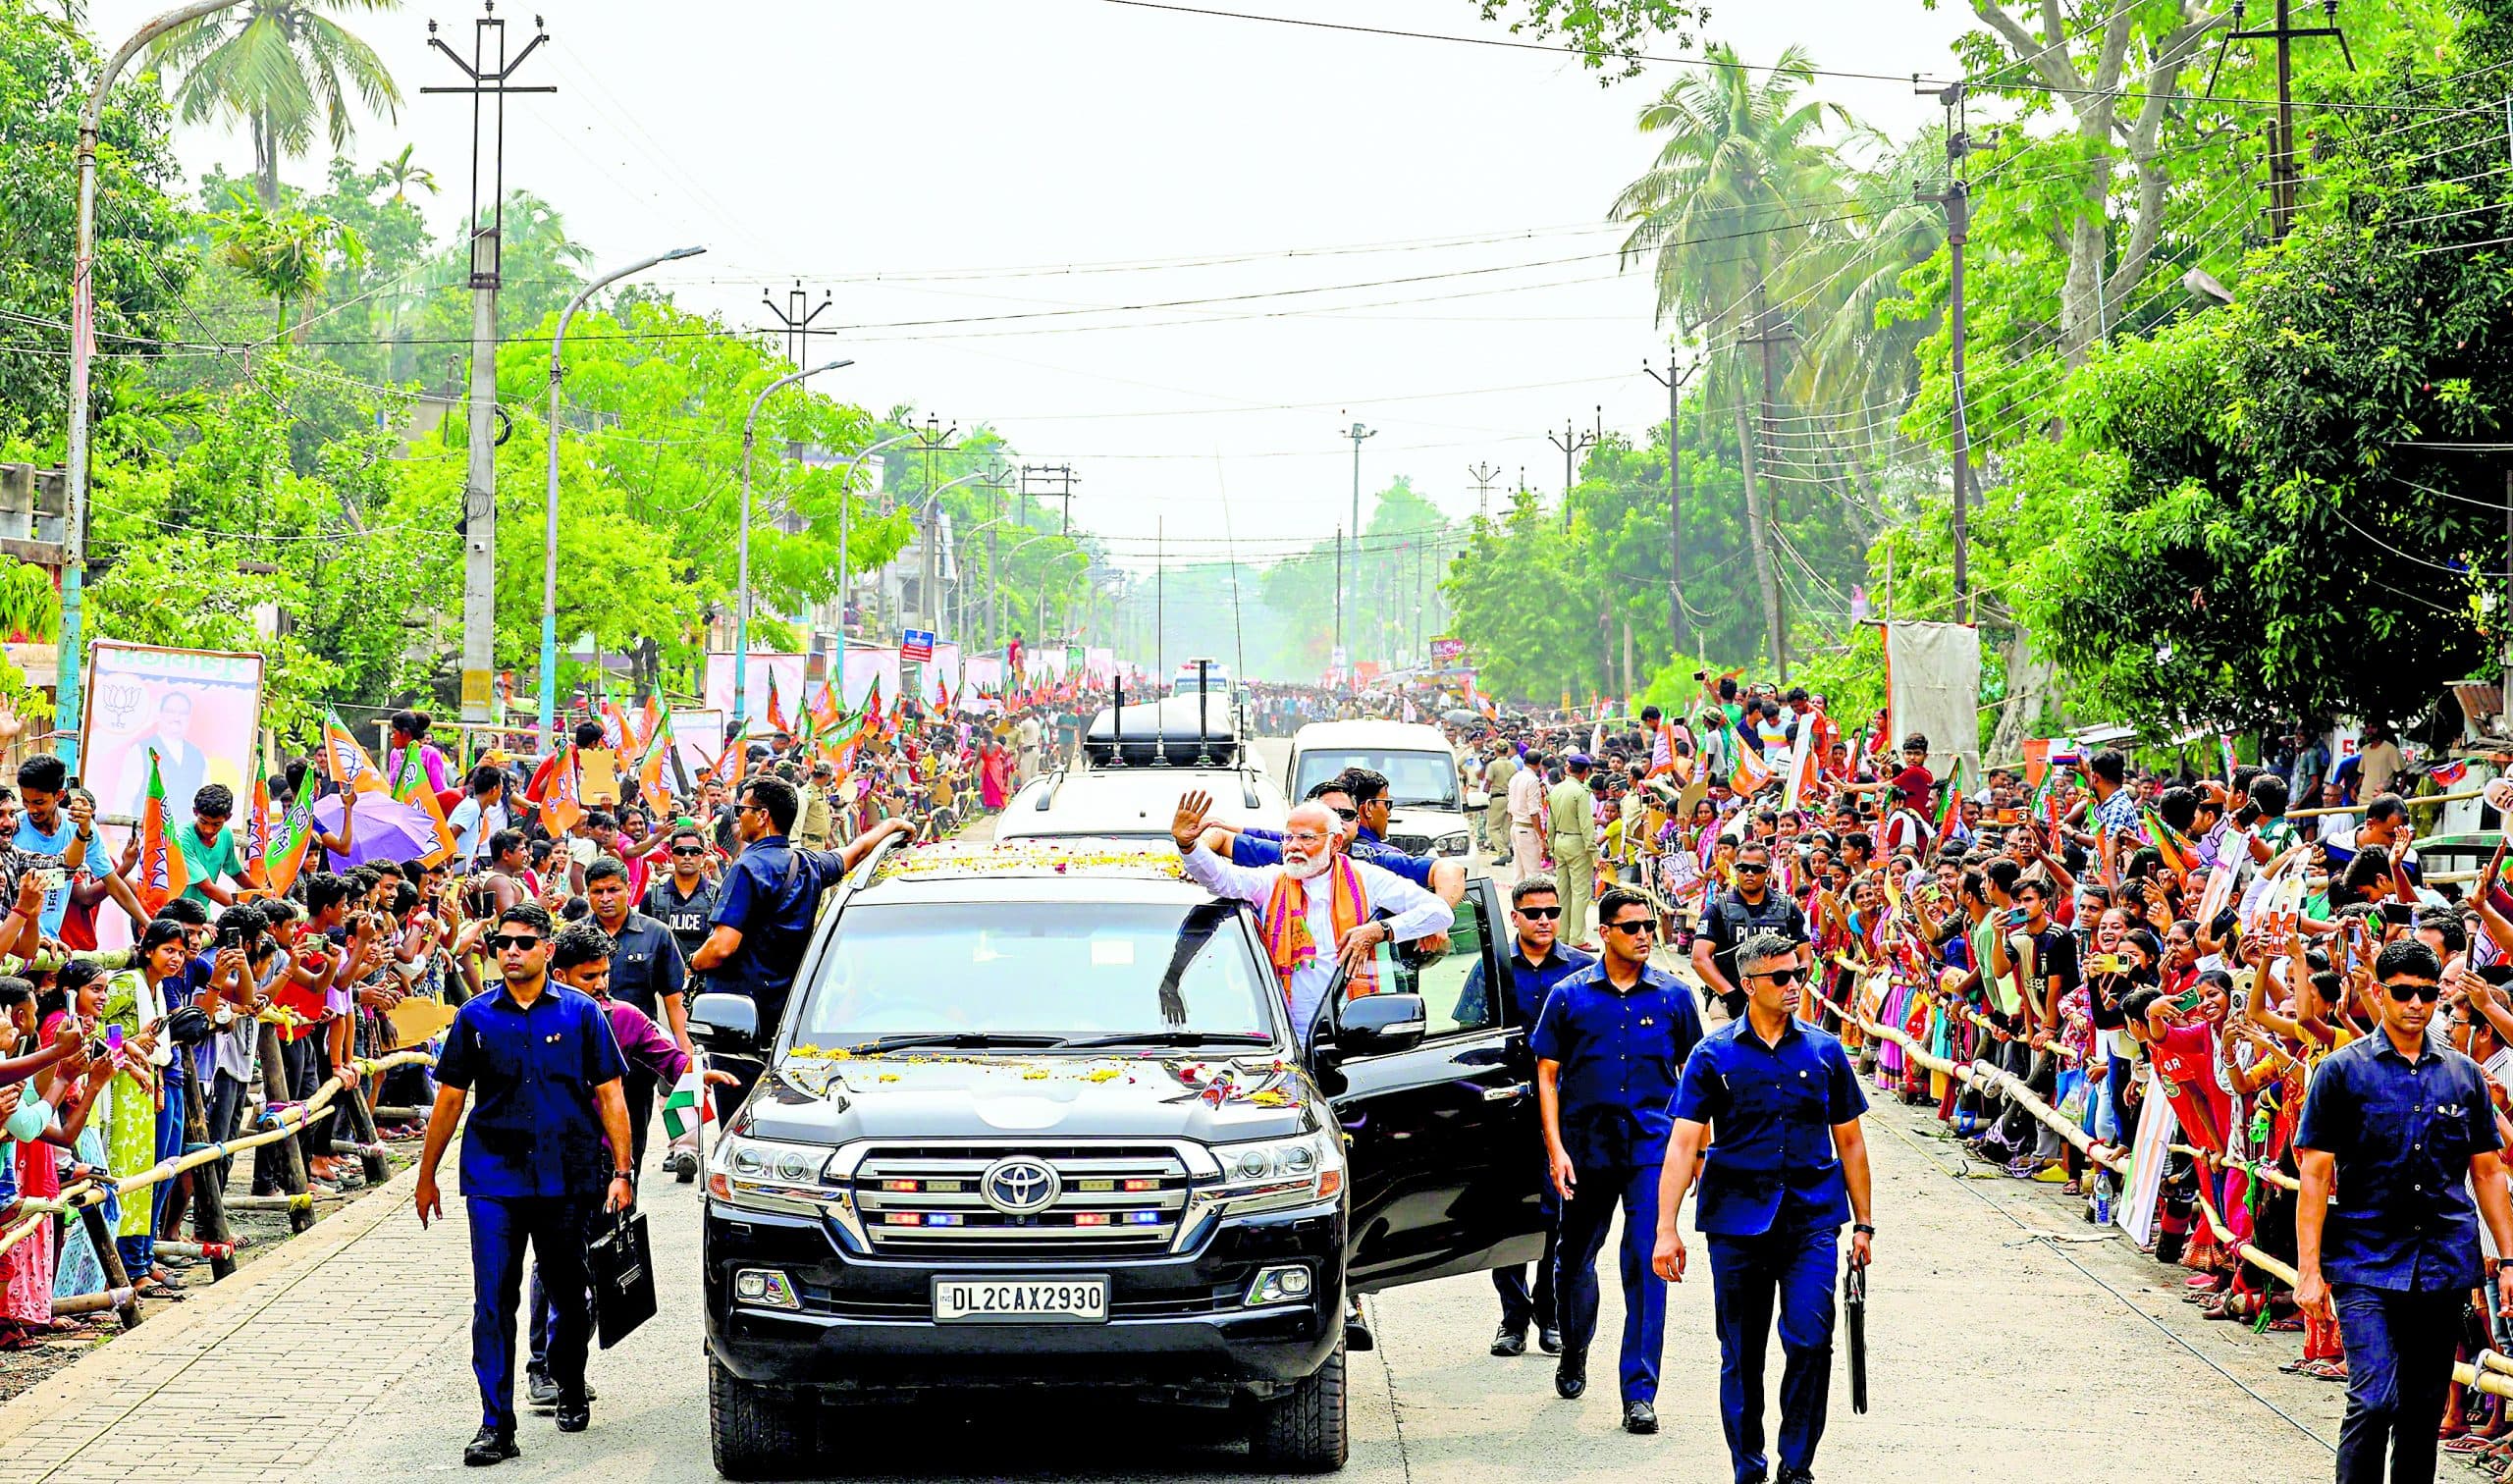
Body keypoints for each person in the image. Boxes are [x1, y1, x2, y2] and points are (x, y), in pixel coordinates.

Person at [413, 903, 636, 1466]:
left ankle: (569, 1380)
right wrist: (426, 1174)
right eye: (503, 943)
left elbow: (610, 1094)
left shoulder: (583, 1014)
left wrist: (622, 1172)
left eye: (524, 942)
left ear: (547, 950)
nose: (511, 951)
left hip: (567, 1176)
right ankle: (496, 1424)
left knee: (568, 1292)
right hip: (493, 1177)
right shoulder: (474, 1017)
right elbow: (450, 1099)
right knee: (493, 1301)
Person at [1655, 929, 1876, 1484]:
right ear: (1749, 985)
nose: (1794, 984)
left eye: (1798, 973)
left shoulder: (1825, 1051)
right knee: (1742, 1352)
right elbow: (1682, 1143)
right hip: (1736, 1223)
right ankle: (1748, 1467)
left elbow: (1850, 1140)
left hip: (1811, 1221)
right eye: (1780, 977)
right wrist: (1665, 1228)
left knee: (1811, 1340)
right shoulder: (1713, 1055)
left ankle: (1796, 1466)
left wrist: (1864, 1225)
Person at [2294, 938, 2513, 1484]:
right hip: (2363, 1259)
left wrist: (2510, 1260)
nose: (2416, 1004)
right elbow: (2315, 1175)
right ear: (2379, 992)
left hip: (2442, 1261)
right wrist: (2308, 1270)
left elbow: (2488, 1172)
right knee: (2374, 1400)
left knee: (2421, 1411)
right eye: (2403, 993)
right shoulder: (2341, 1071)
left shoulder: (2464, 1076)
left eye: (2427, 994)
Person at [1530, 886, 1705, 1435]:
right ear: (1604, 932)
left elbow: (1696, 1080)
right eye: (1632, 927)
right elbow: (1547, 1076)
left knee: (1649, 1262)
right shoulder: (1569, 996)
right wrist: (1556, 1149)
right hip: (1586, 1150)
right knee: (1574, 1258)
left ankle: (1639, 1393)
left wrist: (1700, 1149)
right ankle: (1574, 1347)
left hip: (1653, 1152)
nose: (1644, 935)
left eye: (1648, 925)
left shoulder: (1675, 997)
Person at [687, 779, 916, 1111]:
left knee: (741, 1111)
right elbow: (855, 852)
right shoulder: (808, 864)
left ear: (763, 815)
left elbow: (722, 947)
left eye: (742, 810)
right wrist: (891, 825)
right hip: (791, 1014)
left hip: (740, 1021)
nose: (738, 817)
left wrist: (693, 962)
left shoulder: (747, 868)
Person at [1168, 789, 1453, 1043]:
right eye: (1288, 837)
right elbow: (1222, 879)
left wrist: (1379, 931)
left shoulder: (1367, 879)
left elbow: (1439, 912)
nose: (1293, 846)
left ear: (1335, 842)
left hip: (1353, 1033)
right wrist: (1188, 847)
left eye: (1306, 838)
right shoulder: (1271, 881)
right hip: (1284, 1037)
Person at [1454, 874, 1593, 1359]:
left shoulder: (1582, 971)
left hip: (1568, 1113)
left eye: (1552, 912)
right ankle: (1513, 1318)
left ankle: (1549, 1315)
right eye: (1533, 913)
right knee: (1508, 1214)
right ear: (1514, 917)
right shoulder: (1493, 967)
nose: (1544, 921)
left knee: (1560, 1215)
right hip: (1508, 1111)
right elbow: (1469, 1036)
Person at [582, 858, 690, 1176]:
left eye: (613, 890)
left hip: (637, 1058)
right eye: (597, 891)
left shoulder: (656, 934)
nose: (605, 898)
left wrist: (684, 1050)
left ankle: (628, 1196)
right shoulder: (576, 937)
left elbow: (673, 1000)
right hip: (584, 1059)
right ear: (588, 894)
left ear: (628, 889)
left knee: (632, 1143)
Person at [1693, 841, 1810, 1022]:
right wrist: (1730, 994)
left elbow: (1806, 958)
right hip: (1728, 1004)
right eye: (1743, 868)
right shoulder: (1718, 909)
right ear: (1735, 870)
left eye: (1756, 869)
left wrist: (1790, 988)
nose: (1749, 873)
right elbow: (1699, 958)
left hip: (1777, 1004)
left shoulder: (1787, 909)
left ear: (1768, 872)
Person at [1548, 755, 1601, 950]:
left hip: (1559, 841)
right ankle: (1577, 938)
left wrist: (1551, 846)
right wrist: (1594, 853)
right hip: (1577, 842)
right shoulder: (1581, 792)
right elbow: (1587, 826)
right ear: (1585, 772)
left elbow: (1550, 823)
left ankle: (1562, 935)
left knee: (1563, 891)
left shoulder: (1556, 790)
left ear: (1568, 768)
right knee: (1580, 893)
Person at [176, 783, 248, 907]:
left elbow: (237, 873)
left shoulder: (226, 834)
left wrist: (265, 895)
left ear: (228, 817)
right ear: (195, 812)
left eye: (216, 824)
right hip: (176, 911)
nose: (208, 830)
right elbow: (206, 887)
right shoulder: (182, 838)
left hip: (203, 911)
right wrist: (246, 910)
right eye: (203, 822)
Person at [448, 766, 509, 870]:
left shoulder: (476, 808)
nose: (502, 794)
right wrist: (458, 873)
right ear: (494, 790)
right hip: (454, 871)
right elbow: (450, 838)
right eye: (501, 789)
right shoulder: (472, 808)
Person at [1510, 749, 1548, 879]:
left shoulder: (1515, 777)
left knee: (1519, 872)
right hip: (1527, 828)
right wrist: (1541, 837)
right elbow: (1533, 812)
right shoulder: (1532, 780)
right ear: (1539, 763)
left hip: (1516, 825)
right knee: (1533, 873)